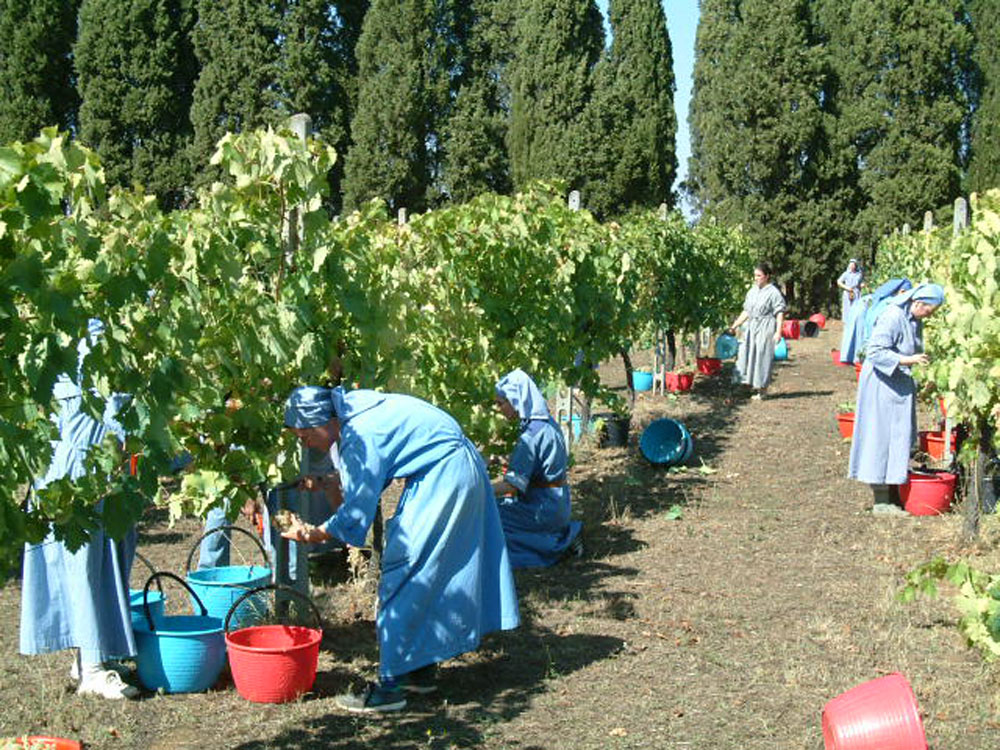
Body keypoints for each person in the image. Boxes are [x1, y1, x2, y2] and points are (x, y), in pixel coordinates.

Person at [279, 385, 520, 713]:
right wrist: (337, 484)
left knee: (403, 574)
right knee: (432, 572)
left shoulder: (359, 433)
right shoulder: (357, 413)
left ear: (320, 422)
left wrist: (311, 533)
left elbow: (355, 518)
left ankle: (392, 687)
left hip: (443, 478)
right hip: (454, 470)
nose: (304, 443)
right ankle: (419, 669)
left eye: (303, 435)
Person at [20, 320, 140, 700]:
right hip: (75, 471)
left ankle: (91, 653)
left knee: (106, 557)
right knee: (82, 560)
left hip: (96, 466)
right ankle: (91, 669)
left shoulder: (104, 334)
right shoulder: (83, 342)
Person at [848, 283, 945, 515]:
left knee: (897, 438)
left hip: (897, 385)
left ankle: (893, 494)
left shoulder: (913, 319)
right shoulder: (892, 316)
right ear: (919, 303)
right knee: (880, 439)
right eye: (929, 311)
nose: (928, 316)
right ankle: (881, 500)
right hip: (881, 386)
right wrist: (908, 361)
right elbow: (875, 351)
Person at [491, 369, 583, 568]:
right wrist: (503, 460)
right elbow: (539, 463)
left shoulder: (530, 436)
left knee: (490, 515)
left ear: (515, 400)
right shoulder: (547, 423)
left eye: (500, 403)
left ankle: (553, 546)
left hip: (543, 509)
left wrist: (480, 490)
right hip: (558, 502)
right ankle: (560, 539)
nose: (498, 408)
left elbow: (511, 486)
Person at [729, 262, 786, 400]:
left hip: (765, 326)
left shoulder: (773, 293)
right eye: (755, 275)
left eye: (759, 275)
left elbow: (779, 313)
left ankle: (762, 389)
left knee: (762, 355)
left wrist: (778, 332)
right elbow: (747, 311)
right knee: (745, 353)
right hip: (751, 327)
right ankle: (746, 384)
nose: (756, 278)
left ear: (766, 276)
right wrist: (735, 325)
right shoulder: (752, 291)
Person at [838, 278, 912, 365]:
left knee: (854, 333)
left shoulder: (883, 296)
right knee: (859, 332)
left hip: (859, 307)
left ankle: (850, 356)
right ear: (902, 291)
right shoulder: (888, 302)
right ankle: (857, 358)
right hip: (862, 310)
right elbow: (871, 323)